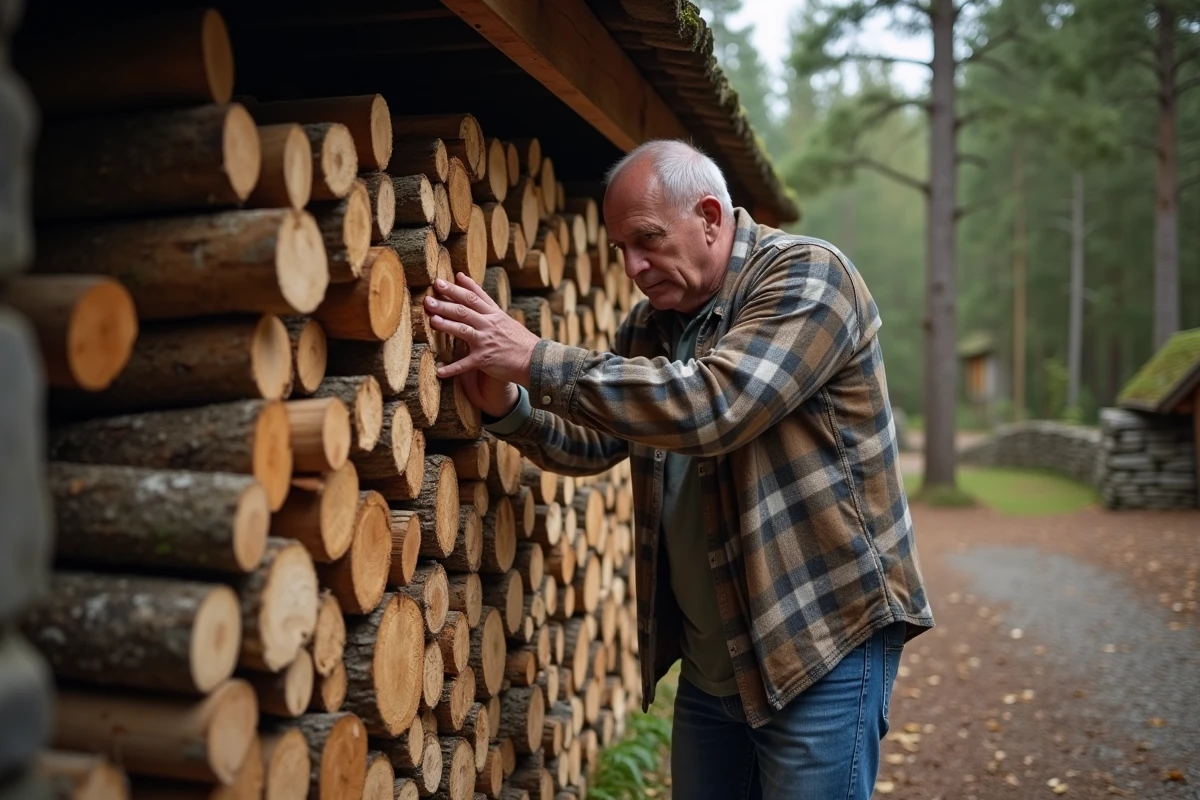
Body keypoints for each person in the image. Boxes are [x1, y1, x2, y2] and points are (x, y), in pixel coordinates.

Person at [424, 139, 934, 800]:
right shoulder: (654, 323)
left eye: (647, 239)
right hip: (715, 663)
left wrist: (536, 359)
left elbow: (713, 406)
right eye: (621, 250)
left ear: (712, 217)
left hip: (819, 643)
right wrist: (509, 406)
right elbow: (595, 438)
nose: (634, 266)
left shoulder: (809, 277)